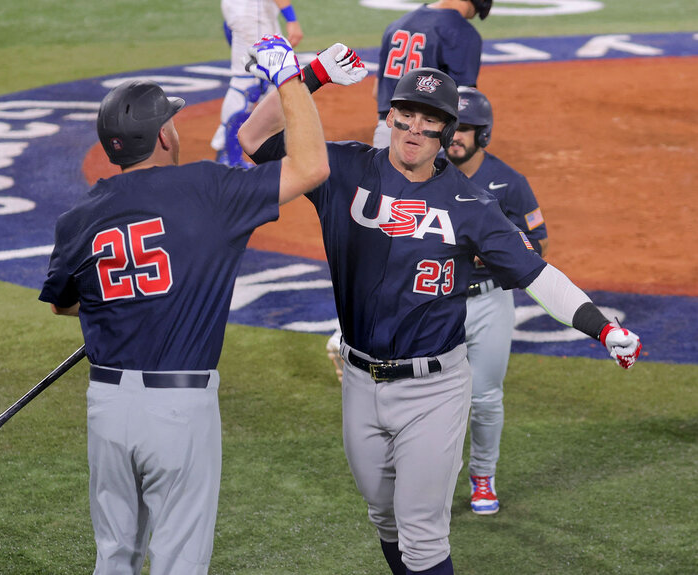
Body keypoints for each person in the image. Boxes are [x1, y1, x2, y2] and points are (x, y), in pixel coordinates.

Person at [238, 65, 642, 575]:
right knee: (383, 518)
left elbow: (538, 276)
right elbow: (253, 139)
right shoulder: (341, 167)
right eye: (404, 115)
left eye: (427, 122)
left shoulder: (472, 204)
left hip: (434, 389)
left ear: (446, 133)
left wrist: (604, 328)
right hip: (359, 380)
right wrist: (308, 75)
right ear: (389, 116)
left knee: (423, 536)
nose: (412, 130)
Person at [38, 35, 329, 575]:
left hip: (107, 407)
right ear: (165, 136)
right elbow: (311, 166)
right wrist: (291, 76)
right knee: (180, 563)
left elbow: (67, 305)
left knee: (114, 558)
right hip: (178, 409)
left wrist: (131, 300)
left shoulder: (79, 216)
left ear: (112, 147)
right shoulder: (207, 190)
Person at [445, 86, 549, 515]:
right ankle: (429, 476)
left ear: (482, 135)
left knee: (485, 399)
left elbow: (537, 249)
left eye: (466, 130)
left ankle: (483, 477)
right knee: (426, 395)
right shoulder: (421, 174)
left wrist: (490, 254)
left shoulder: (509, 182)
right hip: (435, 299)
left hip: (489, 303)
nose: (456, 136)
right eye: (453, 126)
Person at [373, 0, 491, 148]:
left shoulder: (397, 24)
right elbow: (462, 100)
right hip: (426, 135)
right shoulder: (462, 31)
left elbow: (377, 92)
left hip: (387, 130)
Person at [211, 0, 304, 167]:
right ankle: (229, 156)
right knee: (249, 83)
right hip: (253, 12)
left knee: (264, 82)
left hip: (246, 12)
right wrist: (292, 19)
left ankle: (242, 150)